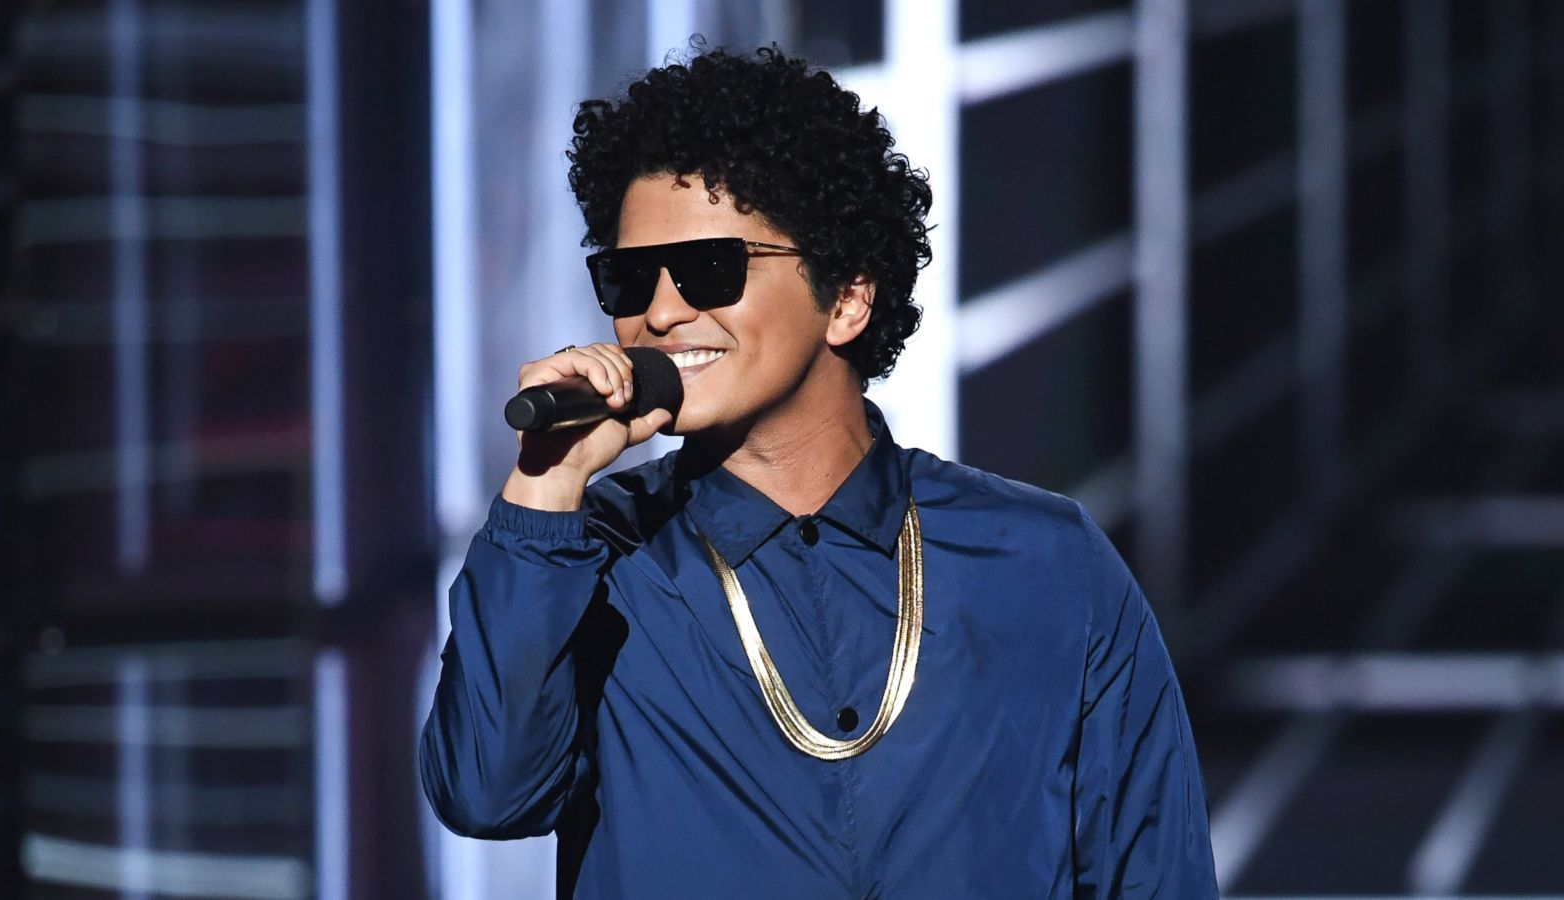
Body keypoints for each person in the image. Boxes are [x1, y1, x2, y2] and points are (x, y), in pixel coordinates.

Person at [419, 45, 1218, 898]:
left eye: (707, 270)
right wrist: (547, 487)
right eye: (628, 278)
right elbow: (488, 795)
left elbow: (1154, 872)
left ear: (846, 298)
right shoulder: (594, 563)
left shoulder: (1044, 563)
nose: (658, 311)